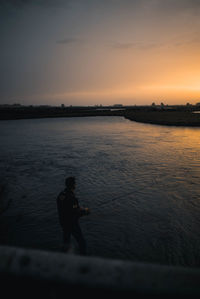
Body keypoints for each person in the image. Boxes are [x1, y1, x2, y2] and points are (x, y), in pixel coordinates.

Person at [56, 176, 90, 255]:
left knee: (66, 241)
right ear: (72, 185)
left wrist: (80, 209)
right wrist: (86, 211)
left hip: (63, 222)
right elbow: (76, 212)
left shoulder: (61, 195)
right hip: (72, 223)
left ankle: (64, 257)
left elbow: (69, 209)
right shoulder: (72, 198)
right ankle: (83, 258)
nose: (76, 185)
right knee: (81, 242)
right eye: (75, 183)